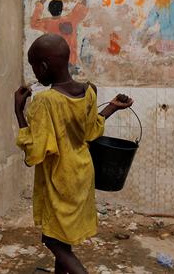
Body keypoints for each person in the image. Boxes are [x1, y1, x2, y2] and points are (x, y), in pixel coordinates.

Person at [14, 34, 133, 273]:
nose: (35, 73)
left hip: (59, 178)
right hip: (81, 173)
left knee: (52, 240)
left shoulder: (44, 101)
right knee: (63, 235)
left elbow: (35, 153)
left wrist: (18, 112)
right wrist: (111, 108)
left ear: (44, 66)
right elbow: (91, 131)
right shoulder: (89, 91)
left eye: (34, 67)